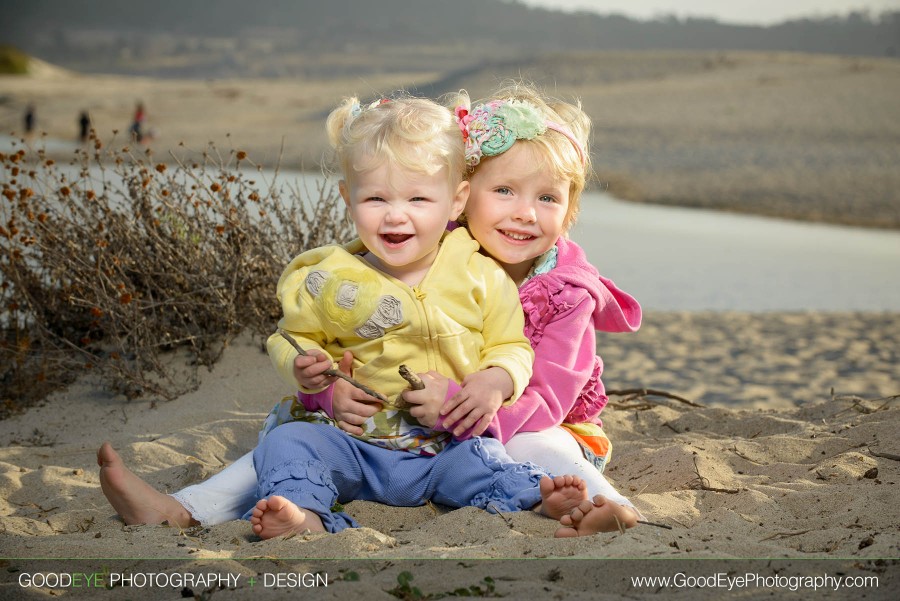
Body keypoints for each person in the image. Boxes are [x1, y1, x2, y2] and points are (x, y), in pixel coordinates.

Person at [99, 84, 642, 537]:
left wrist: (467, 407)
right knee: (285, 444)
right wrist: (324, 382)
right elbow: (328, 325)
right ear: (463, 194)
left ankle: (599, 505)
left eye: (548, 199)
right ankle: (187, 508)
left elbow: (546, 397)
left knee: (532, 446)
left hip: (523, 424)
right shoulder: (429, 252)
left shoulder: (567, 291)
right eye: (504, 190)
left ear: (569, 212)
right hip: (404, 428)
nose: (525, 214)